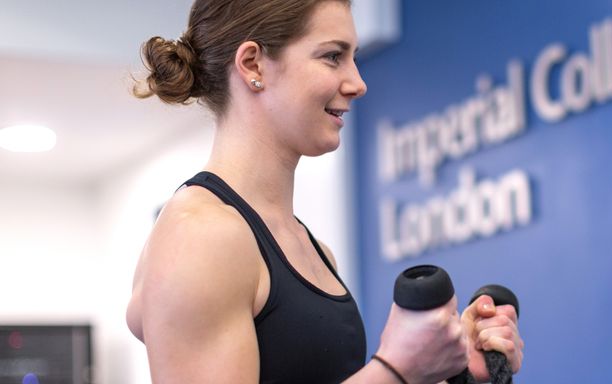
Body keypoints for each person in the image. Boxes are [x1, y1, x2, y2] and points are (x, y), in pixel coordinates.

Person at [124, 0, 524, 383]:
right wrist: (396, 369)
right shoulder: (200, 235)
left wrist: (446, 368)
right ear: (252, 64)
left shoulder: (312, 248)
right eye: (333, 56)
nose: (358, 83)